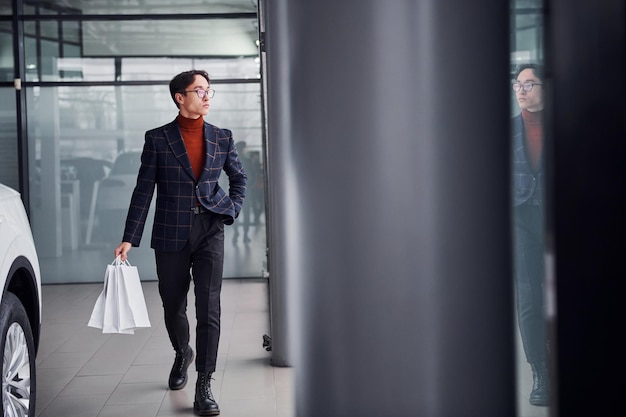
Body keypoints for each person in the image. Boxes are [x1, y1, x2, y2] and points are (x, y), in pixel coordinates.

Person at [114, 69, 246, 416]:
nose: (206, 97)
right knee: (173, 306)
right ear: (179, 97)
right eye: (199, 90)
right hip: (170, 233)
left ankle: (204, 382)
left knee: (209, 306)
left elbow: (239, 177)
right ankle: (182, 352)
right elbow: (144, 189)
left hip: (210, 229)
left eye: (208, 91)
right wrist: (130, 237)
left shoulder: (222, 137)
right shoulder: (158, 139)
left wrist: (230, 209)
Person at [511, 63, 549, 407]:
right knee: (528, 301)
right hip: (522, 220)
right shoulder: (506, 130)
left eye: (529, 83)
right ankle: (540, 370)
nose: (521, 90)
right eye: (517, 84)